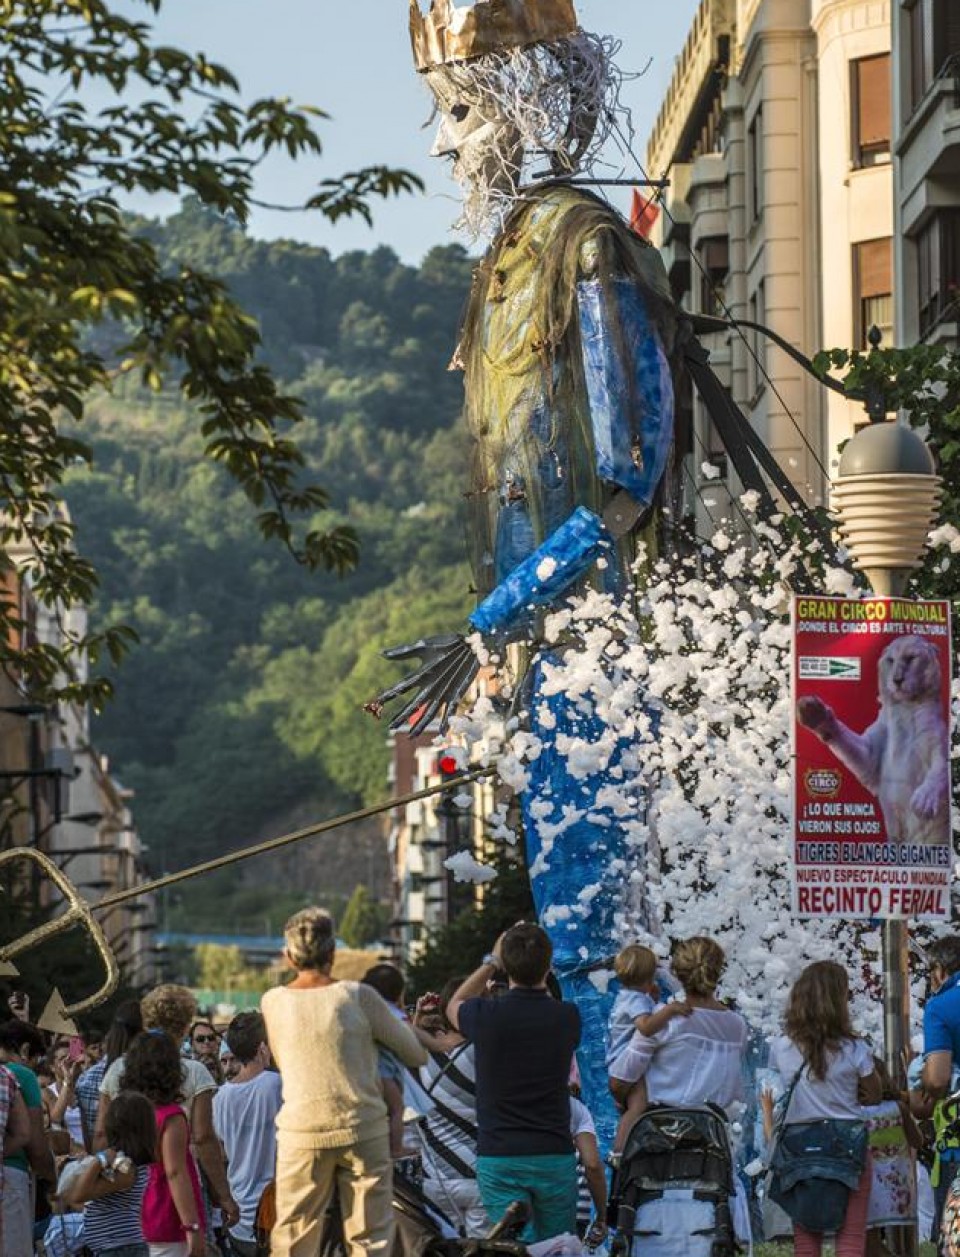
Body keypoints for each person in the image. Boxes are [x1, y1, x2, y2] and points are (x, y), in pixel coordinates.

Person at [261, 907, 428, 1257]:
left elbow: (283, 1057)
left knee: (293, 1235)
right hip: (362, 1128)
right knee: (369, 1239)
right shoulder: (358, 996)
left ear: (288, 956)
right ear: (333, 953)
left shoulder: (272, 1002)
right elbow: (415, 1053)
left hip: (301, 1130)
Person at [447, 923, 581, 1242]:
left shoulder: (486, 1016)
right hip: (554, 1152)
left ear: (505, 965)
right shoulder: (567, 1017)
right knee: (556, 1247)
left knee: (512, 1246)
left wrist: (491, 962)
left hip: (500, 1154)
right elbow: (544, 999)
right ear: (549, 965)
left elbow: (454, 1003)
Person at [95, 986, 238, 1235]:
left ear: (146, 1021)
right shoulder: (195, 1072)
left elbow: (100, 1136)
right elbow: (203, 1138)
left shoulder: (117, 1068)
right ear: (185, 1027)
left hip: (125, 1189)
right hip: (179, 1190)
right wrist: (223, 1195)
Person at [770, 959, 882, 1257]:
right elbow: (874, 1094)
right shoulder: (856, 1049)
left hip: (799, 1146)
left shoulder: (782, 1047)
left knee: (806, 1242)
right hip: (848, 1144)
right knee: (851, 1236)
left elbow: (778, 1087)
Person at [121, 1033, 206, 1257]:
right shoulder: (171, 1116)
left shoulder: (128, 1111)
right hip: (168, 1217)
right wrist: (192, 1226)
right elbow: (175, 1172)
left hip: (135, 1217)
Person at [606, 943, 690, 1153]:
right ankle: (619, 1151)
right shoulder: (636, 1000)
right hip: (623, 1061)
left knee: (637, 1106)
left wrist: (651, 1000)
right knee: (638, 1107)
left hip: (619, 1061)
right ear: (649, 977)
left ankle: (623, 1150)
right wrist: (670, 1010)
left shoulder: (627, 996)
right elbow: (645, 1028)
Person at [212, 1012, 281, 1257]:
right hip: (274, 1213)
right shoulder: (277, 1085)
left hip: (238, 1213)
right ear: (263, 1046)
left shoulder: (220, 1097)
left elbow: (220, 1153)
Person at [61, 1088, 156, 1257]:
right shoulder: (126, 1163)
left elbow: (78, 1196)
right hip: (118, 1247)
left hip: (121, 1248)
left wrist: (99, 1160)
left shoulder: (127, 1169)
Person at [0, 1018, 56, 1254]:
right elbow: (32, 1141)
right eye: (35, 1059)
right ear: (24, 1050)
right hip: (10, 1179)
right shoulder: (19, 1075)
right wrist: (53, 1178)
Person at [862, 1056, 922, 1256]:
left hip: (867, 1188)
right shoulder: (899, 1108)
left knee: (866, 1242)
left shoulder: (855, 1113)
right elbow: (917, 1140)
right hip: (899, 1186)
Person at [77, 1000, 143, 1153]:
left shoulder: (88, 1076)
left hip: (105, 1159)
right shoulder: (150, 1070)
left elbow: (93, 1131)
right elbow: (100, 1132)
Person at [361, 963, 410, 1160]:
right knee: (397, 1109)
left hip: (363, 1073)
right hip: (386, 1074)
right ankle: (395, 1149)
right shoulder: (396, 1016)